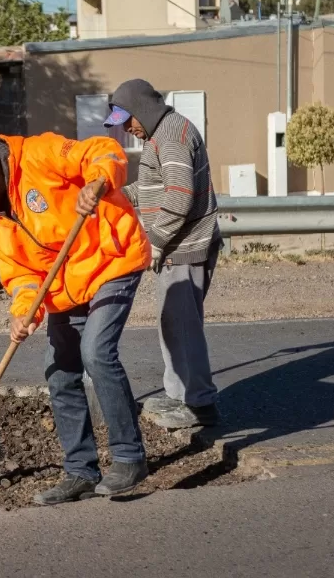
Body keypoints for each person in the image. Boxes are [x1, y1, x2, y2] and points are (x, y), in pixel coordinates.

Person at [0, 132, 152, 505]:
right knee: (60, 371)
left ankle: (129, 458)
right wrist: (23, 312)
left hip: (110, 260)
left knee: (96, 352)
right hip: (63, 288)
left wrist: (98, 181)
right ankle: (81, 472)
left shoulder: (37, 154)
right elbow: (19, 274)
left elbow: (103, 150)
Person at [102, 79, 222, 430]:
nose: (126, 128)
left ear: (144, 110)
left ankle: (200, 404)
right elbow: (156, 186)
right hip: (176, 245)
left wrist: (155, 241)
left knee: (183, 328)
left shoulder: (171, 137)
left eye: (129, 120)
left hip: (184, 247)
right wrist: (117, 195)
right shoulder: (161, 134)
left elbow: (179, 197)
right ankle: (179, 394)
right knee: (172, 324)